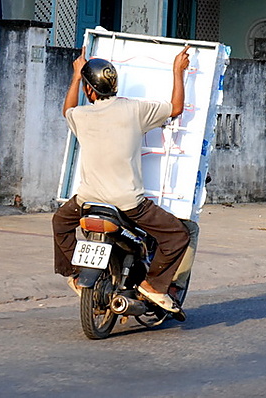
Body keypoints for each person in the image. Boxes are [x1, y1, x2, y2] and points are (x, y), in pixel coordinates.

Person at [52, 45, 192, 313]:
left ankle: (74, 272)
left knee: (59, 221)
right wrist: (178, 71)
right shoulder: (134, 110)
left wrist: (75, 76)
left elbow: (67, 109)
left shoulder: (81, 116)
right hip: (128, 204)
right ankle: (153, 285)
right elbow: (176, 108)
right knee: (178, 235)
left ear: (89, 90)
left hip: (87, 201)